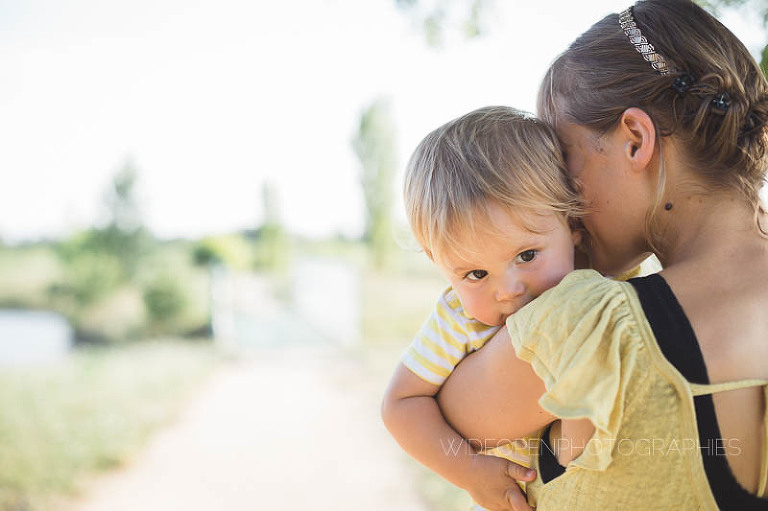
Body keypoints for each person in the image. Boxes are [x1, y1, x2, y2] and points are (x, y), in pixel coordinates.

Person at [435, 1, 768, 509]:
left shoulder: (593, 326)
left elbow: (443, 412)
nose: (558, 198)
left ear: (635, 140)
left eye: (563, 159)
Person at [381, 106, 647, 510]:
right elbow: (400, 405)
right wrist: (468, 470)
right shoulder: (460, 321)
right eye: (474, 274)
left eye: (526, 255)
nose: (508, 290)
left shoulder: (605, 288)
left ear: (572, 226)